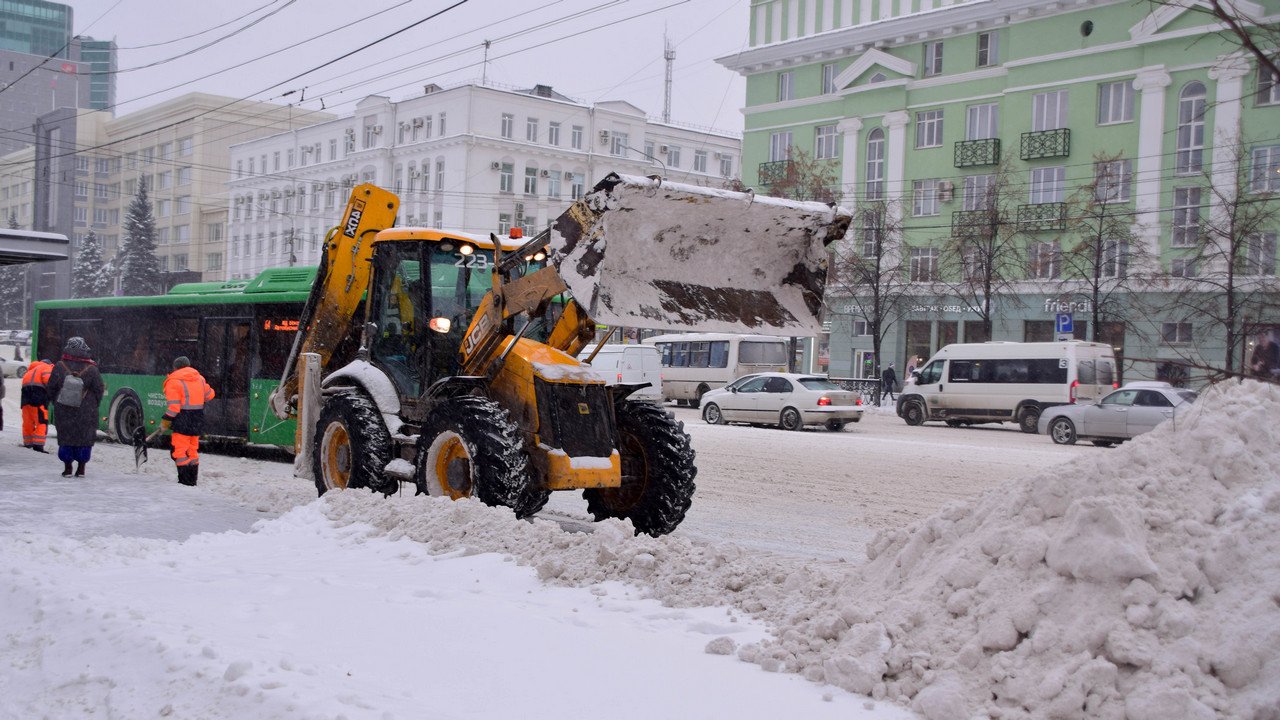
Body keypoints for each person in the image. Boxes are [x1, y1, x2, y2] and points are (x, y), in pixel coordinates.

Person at [46, 337, 105, 478]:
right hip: (86, 410)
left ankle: (67, 468)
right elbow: (99, 389)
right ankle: (81, 468)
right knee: (84, 439)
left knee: (66, 437)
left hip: (64, 409)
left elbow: (51, 387)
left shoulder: (60, 366)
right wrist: (92, 404)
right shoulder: (92, 369)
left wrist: (57, 402)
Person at [162, 356, 215, 487]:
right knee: (192, 450)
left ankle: (184, 480)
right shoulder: (200, 379)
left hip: (182, 420)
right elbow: (210, 395)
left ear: (175, 367)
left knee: (179, 451)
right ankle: (193, 480)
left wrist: (165, 421)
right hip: (197, 420)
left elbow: (174, 408)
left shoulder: (173, 382)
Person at [20, 357, 54, 452]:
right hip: (38, 399)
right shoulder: (46, 367)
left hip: (25, 401)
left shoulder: (30, 371)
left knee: (28, 422)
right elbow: (48, 381)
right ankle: (38, 446)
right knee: (41, 421)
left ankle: (28, 443)